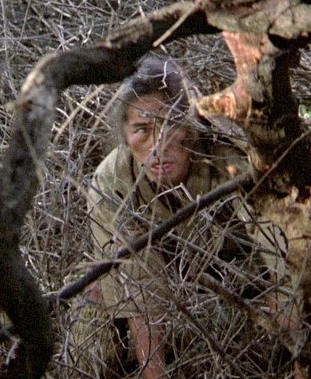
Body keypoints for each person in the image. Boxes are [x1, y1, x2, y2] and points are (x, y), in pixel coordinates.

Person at [71, 56, 287, 379]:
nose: (158, 145)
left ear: (190, 126)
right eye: (142, 130)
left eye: (170, 125)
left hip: (235, 283)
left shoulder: (230, 160)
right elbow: (139, 289)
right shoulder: (111, 182)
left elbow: (282, 260)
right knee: (90, 329)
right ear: (126, 136)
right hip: (164, 291)